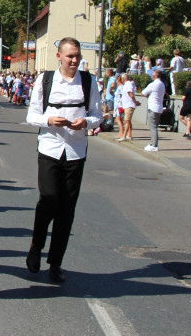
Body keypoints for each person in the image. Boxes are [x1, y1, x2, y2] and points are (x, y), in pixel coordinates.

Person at [24, 38, 102, 283]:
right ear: (59, 56)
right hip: (50, 148)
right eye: (70, 56)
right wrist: (49, 120)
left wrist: (86, 123)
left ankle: (55, 263)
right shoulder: (45, 80)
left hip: (76, 150)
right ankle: (36, 245)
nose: (74, 60)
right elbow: (32, 115)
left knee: (67, 209)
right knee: (48, 200)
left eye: (77, 56)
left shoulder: (89, 82)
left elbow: (97, 115)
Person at [142, 67, 166, 152]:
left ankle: (154, 145)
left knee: (153, 127)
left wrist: (148, 96)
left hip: (153, 107)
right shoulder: (162, 84)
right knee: (154, 126)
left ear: (154, 76)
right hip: (159, 107)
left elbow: (144, 92)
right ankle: (153, 143)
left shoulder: (153, 84)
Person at [116, 73, 137, 141]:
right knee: (128, 121)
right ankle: (129, 135)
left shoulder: (128, 84)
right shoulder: (127, 84)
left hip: (129, 105)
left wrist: (135, 101)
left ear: (123, 79)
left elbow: (130, 94)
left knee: (126, 121)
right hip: (127, 105)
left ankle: (124, 136)